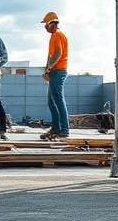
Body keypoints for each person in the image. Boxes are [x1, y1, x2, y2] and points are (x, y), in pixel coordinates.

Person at [40, 11, 69, 139]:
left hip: (59, 71)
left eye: (46, 24)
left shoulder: (58, 35)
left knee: (58, 101)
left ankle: (64, 129)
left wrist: (50, 68)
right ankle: (56, 128)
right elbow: (50, 55)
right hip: (54, 71)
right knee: (51, 102)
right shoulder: (53, 36)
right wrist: (47, 69)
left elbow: (58, 53)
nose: (45, 26)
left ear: (53, 23)